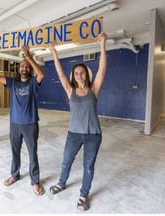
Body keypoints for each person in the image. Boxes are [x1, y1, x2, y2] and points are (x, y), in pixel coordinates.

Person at [47, 32, 107, 211]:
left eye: (81, 72)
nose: (79, 75)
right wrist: (54, 53)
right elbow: (60, 73)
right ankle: (61, 183)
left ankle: (83, 195)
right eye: (76, 73)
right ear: (73, 76)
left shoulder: (93, 89)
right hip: (73, 134)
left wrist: (102, 45)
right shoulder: (70, 90)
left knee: (88, 166)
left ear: (86, 75)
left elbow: (102, 70)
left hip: (93, 135)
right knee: (66, 161)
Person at [0, 45, 45, 196]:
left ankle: (35, 181)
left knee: (32, 153)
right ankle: (15, 175)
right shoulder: (12, 82)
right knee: (15, 151)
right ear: (19, 68)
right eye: (22, 66)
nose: (24, 68)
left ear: (29, 69)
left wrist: (29, 57)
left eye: (27, 66)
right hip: (14, 124)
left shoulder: (33, 82)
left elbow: (41, 75)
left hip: (30, 124)